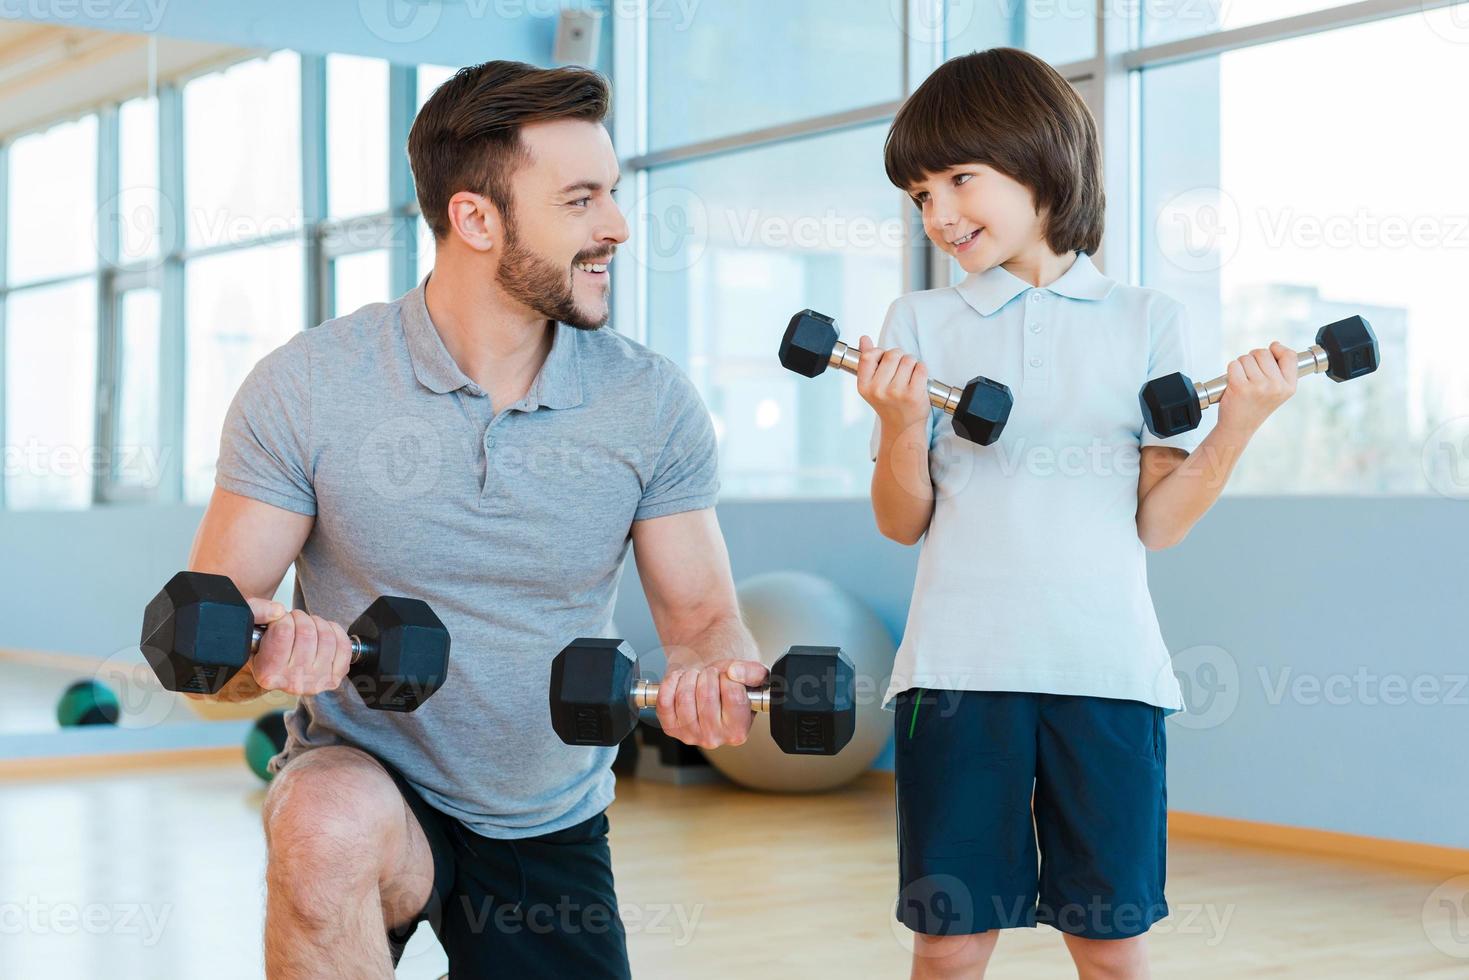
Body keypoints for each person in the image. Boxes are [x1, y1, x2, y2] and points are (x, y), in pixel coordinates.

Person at [187, 60, 764, 979]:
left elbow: (700, 623)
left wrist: (710, 678)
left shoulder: (649, 402)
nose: (615, 225)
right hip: (370, 776)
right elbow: (210, 648)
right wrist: (266, 654)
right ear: (475, 218)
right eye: (580, 200)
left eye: (612, 194)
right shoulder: (308, 386)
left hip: (547, 811)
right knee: (320, 822)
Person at [858, 48, 1301, 979]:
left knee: (1109, 946)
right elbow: (902, 521)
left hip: (1105, 671)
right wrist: (901, 424)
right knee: (947, 944)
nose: (937, 214)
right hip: (956, 672)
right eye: (918, 194)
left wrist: (1240, 425)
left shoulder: (1144, 318)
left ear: (1041, 160)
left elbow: (1160, 524)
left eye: (957, 180)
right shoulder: (917, 322)